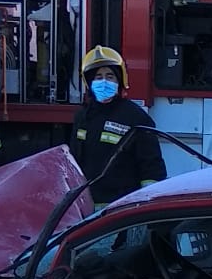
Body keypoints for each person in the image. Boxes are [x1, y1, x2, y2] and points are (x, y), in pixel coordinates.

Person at [70, 46, 166, 203]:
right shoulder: (83, 117)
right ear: (89, 82)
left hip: (121, 207)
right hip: (87, 205)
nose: (104, 82)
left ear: (119, 81)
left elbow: (152, 168)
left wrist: (146, 203)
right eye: (98, 77)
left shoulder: (136, 117)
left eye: (110, 77)